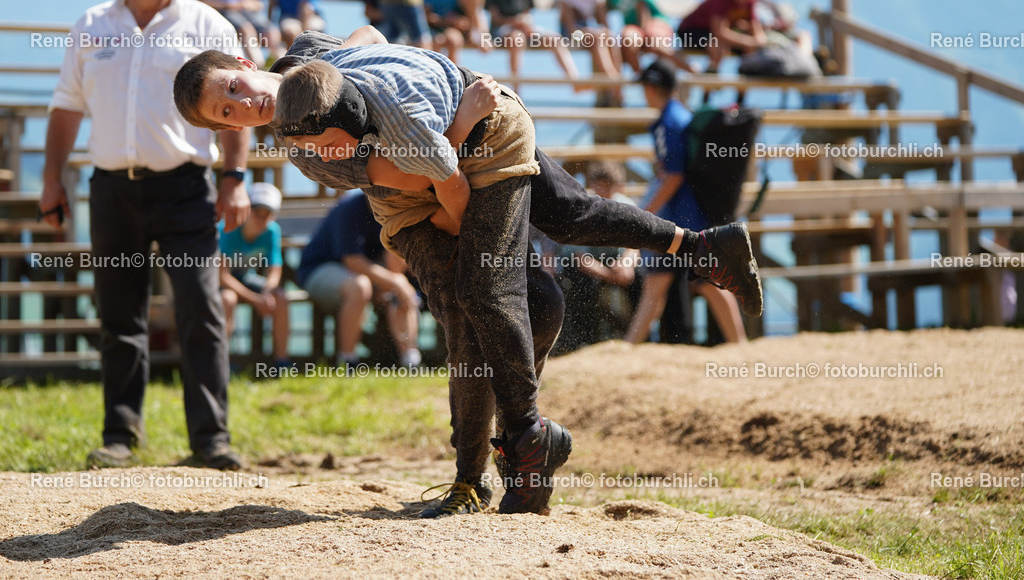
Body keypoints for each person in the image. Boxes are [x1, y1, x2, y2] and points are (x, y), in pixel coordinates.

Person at [172, 28, 763, 517]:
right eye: (226, 115)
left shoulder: (314, 57)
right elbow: (435, 185)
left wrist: (422, 80)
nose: (242, 105)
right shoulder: (306, 149)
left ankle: (524, 440)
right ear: (231, 134)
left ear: (247, 63)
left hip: (479, 133)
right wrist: (460, 134)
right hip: (424, 190)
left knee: (532, 259)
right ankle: (480, 470)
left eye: (233, 88)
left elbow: (373, 37)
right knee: (484, 298)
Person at [39, 0, 250, 471]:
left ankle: (211, 440)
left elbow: (240, 106)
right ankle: (119, 436)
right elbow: (66, 105)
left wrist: (234, 178)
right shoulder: (91, 24)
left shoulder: (208, 25)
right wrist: (50, 178)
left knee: (200, 311)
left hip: (185, 188)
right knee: (119, 315)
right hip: (111, 189)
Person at [625, 61, 747, 345]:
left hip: (682, 217)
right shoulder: (679, 115)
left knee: (694, 282)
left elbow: (674, 176)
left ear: (652, 88)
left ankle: (629, 347)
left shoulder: (668, 121)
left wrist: (648, 212)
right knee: (682, 281)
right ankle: (630, 346)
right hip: (692, 216)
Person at [296, 191, 422, 368]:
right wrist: (395, 281)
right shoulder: (349, 207)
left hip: (366, 272)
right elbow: (352, 261)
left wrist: (394, 280)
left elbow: (396, 260)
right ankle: (348, 362)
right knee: (361, 286)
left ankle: (410, 361)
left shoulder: (397, 206)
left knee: (397, 287)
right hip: (320, 269)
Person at [551, 161, 641, 354]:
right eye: (600, 185)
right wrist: (610, 275)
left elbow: (635, 247)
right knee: (577, 282)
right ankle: (582, 342)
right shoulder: (584, 207)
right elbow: (579, 257)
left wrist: (627, 264)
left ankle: (638, 338)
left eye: (608, 186)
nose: (604, 191)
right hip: (587, 266)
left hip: (616, 264)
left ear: (617, 187)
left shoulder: (627, 205)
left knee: (645, 277)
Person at [484, 0, 579, 89]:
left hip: (524, 28)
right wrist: (516, 22)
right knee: (517, 39)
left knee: (554, 38)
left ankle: (574, 81)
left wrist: (526, 23)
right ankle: (516, 89)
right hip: (502, 32)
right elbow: (496, 19)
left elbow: (528, 13)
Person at [219, 183, 289, 367]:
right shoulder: (227, 227)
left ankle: (282, 363)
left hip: (244, 278)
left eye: (267, 214)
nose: (261, 218)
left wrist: (267, 292)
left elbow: (275, 269)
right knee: (228, 299)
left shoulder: (272, 231)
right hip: (218, 284)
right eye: (257, 211)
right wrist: (255, 299)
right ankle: (221, 364)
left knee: (280, 297)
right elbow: (222, 276)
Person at [676, 0, 767, 73]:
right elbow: (720, 32)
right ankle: (710, 80)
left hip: (712, 34)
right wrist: (748, 41)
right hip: (690, 32)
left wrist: (757, 40)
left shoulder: (750, 0)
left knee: (749, 49)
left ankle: (743, 82)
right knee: (718, 46)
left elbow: (757, 31)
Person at [555, 0, 621, 91]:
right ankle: (613, 82)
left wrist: (604, 32)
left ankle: (613, 81)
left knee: (609, 36)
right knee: (598, 36)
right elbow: (571, 28)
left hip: (588, 31)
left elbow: (604, 22)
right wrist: (594, 31)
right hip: (572, 34)